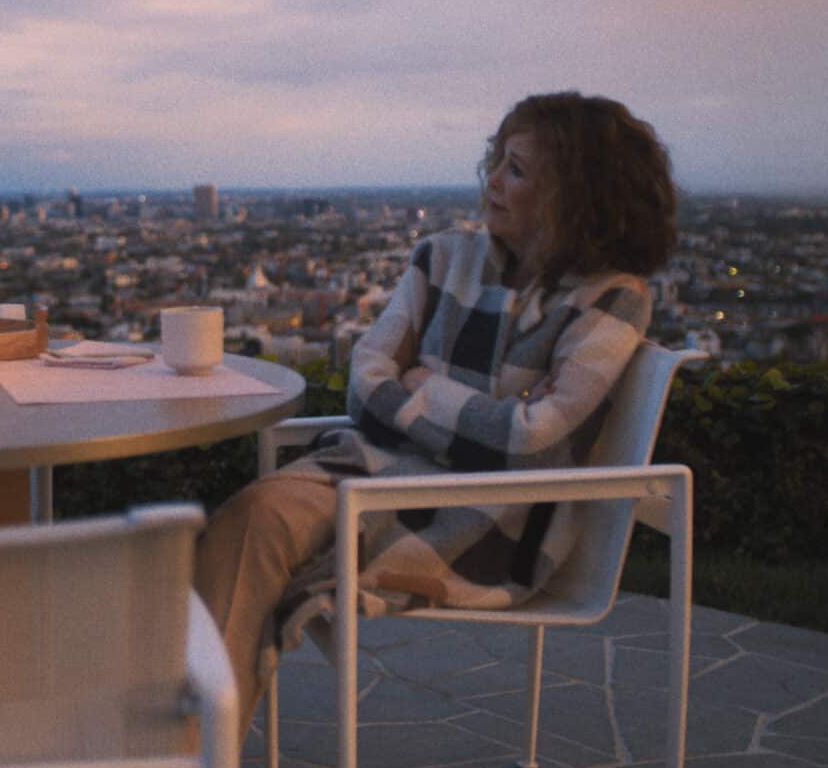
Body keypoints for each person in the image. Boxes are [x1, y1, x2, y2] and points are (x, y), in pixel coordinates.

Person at [194, 91, 677, 725]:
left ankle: (193, 762)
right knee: (252, 519)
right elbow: (365, 385)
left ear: (577, 196)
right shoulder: (443, 257)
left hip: (486, 519)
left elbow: (533, 443)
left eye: (519, 170)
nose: (494, 183)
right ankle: (197, 759)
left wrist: (421, 386)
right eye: (498, 162)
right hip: (370, 468)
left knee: (251, 540)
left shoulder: (614, 300)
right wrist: (481, 417)